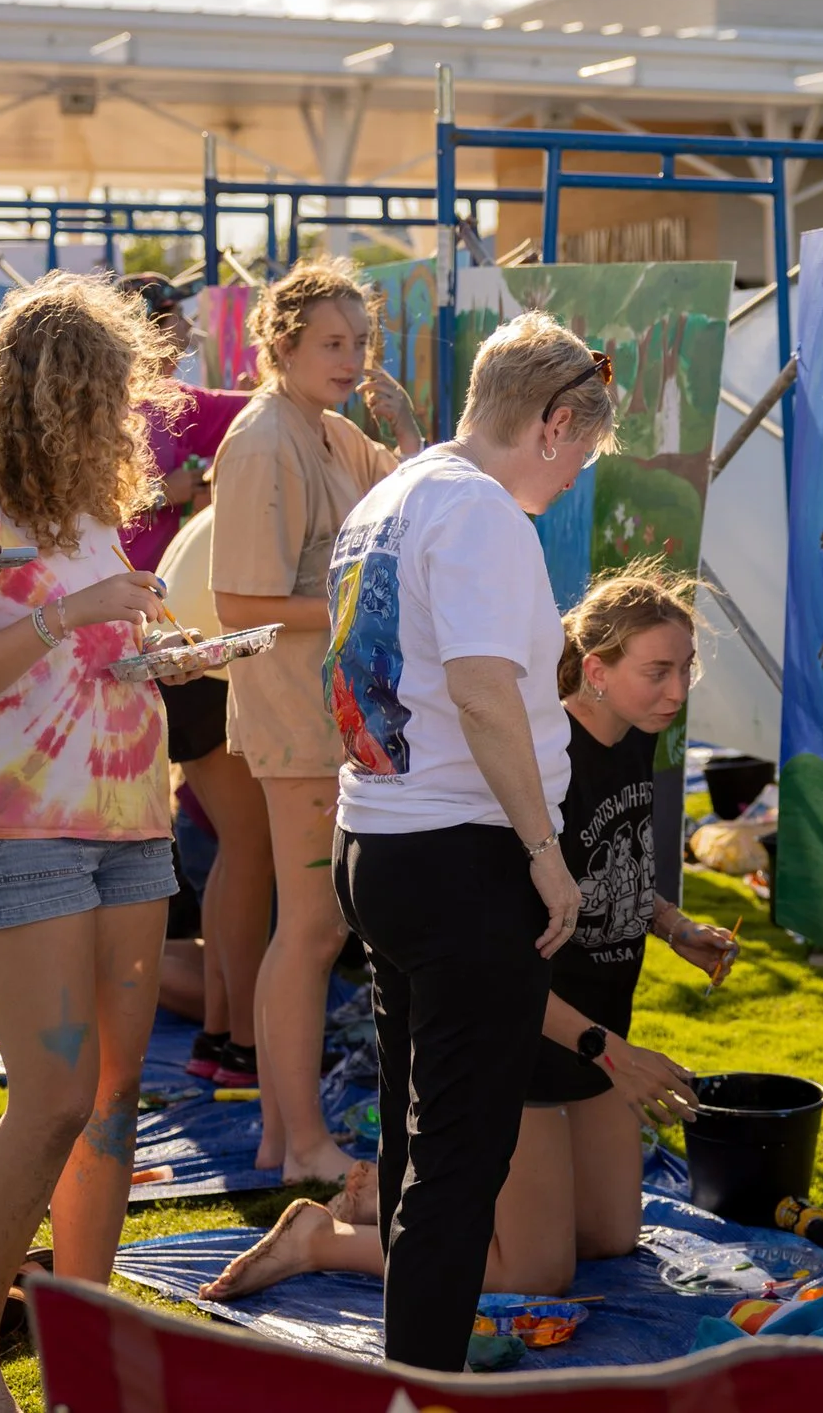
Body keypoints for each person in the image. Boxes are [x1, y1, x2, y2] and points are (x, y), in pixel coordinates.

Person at [195, 560, 738, 1304]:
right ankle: (324, 1238)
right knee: (536, 1273)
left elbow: (612, 862)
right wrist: (616, 1056)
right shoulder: (544, 762)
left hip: (596, 1028)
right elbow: (498, 957)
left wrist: (673, 925)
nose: (677, 691)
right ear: (598, 671)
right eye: (658, 671)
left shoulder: (634, 734)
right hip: (521, 1038)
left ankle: (387, 1202)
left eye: (686, 669)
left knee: (608, 1238)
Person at [0, 273, 206, 1413]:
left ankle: (87, 1337)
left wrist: (170, 660)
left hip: (129, 826)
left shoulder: (85, 516)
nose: (126, 422)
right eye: (108, 398)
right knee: (55, 1099)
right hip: (12, 834)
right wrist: (66, 616)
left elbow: (88, 666)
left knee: (116, 1096)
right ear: (50, 398)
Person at [319, 310, 614, 1369]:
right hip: (457, 851)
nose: (576, 475)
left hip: (385, 839)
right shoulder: (480, 511)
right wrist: (544, 854)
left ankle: (410, 1361)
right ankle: (422, 1384)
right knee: (456, 1163)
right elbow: (488, 696)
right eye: (581, 449)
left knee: (416, 1141)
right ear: (552, 421)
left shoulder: (397, 492)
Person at [210, 255, 422, 1181]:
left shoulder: (330, 433)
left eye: (361, 341)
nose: (351, 356)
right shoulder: (266, 441)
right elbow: (238, 599)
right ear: (281, 344)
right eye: (333, 342)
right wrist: (358, 601)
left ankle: (283, 1133)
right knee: (310, 928)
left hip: (329, 707)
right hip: (295, 710)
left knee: (318, 926)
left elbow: (416, 504)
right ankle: (298, 1142)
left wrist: (409, 428)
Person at [116, 273, 269, 1089]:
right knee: (236, 849)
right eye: (173, 330)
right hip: (166, 635)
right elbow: (266, 414)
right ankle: (233, 1037)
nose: (181, 347)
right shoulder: (130, 407)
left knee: (201, 844)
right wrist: (175, 492)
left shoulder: (159, 404)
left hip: (167, 632)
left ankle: (223, 1033)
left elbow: (257, 414)